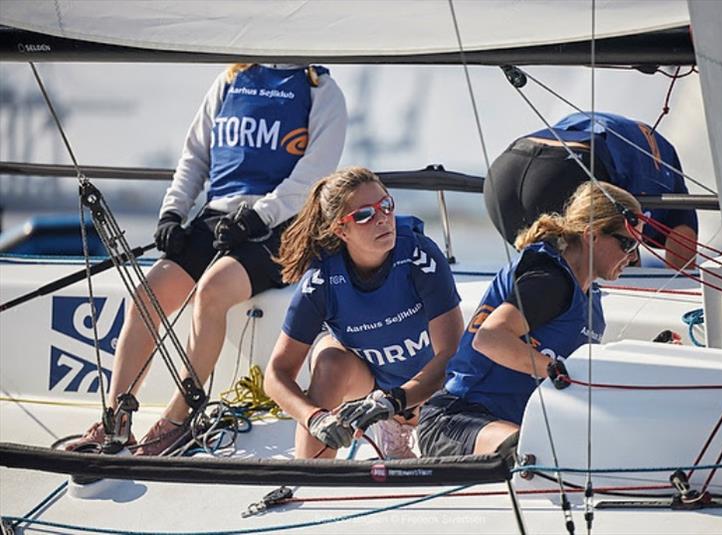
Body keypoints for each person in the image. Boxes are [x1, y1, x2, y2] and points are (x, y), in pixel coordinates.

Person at [66, 63, 347, 455]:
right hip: (217, 218)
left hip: (280, 227)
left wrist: (259, 216)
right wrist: (172, 213)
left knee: (212, 291)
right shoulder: (232, 78)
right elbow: (196, 156)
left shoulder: (321, 89)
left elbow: (315, 173)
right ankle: (117, 419)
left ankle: (179, 419)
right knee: (148, 295)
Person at [418, 181, 642, 456]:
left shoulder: (592, 300)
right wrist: (555, 369)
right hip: (457, 421)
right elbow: (488, 338)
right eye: (628, 243)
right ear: (592, 235)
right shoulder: (549, 282)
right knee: (536, 454)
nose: (632, 258)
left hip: (515, 426)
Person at [263, 167, 464, 459]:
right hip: (369, 384)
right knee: (330, 362)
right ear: (340, 230)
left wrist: (395, 402)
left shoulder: (420, 256)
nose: (382, 218)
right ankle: (312, 483)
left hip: (427, 385)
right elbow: (275, 374)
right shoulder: (322, 280)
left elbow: (452, 354)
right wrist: (315, 417)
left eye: (386, 205)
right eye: (363, 215)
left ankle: (399, 422)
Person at [483, 111, 697, 268]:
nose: (631, 255)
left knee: (541, 273)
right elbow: (681, 263)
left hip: (506, 167)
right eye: (629, 246)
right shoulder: (676, 202)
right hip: (568, 170)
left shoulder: (658, 160)